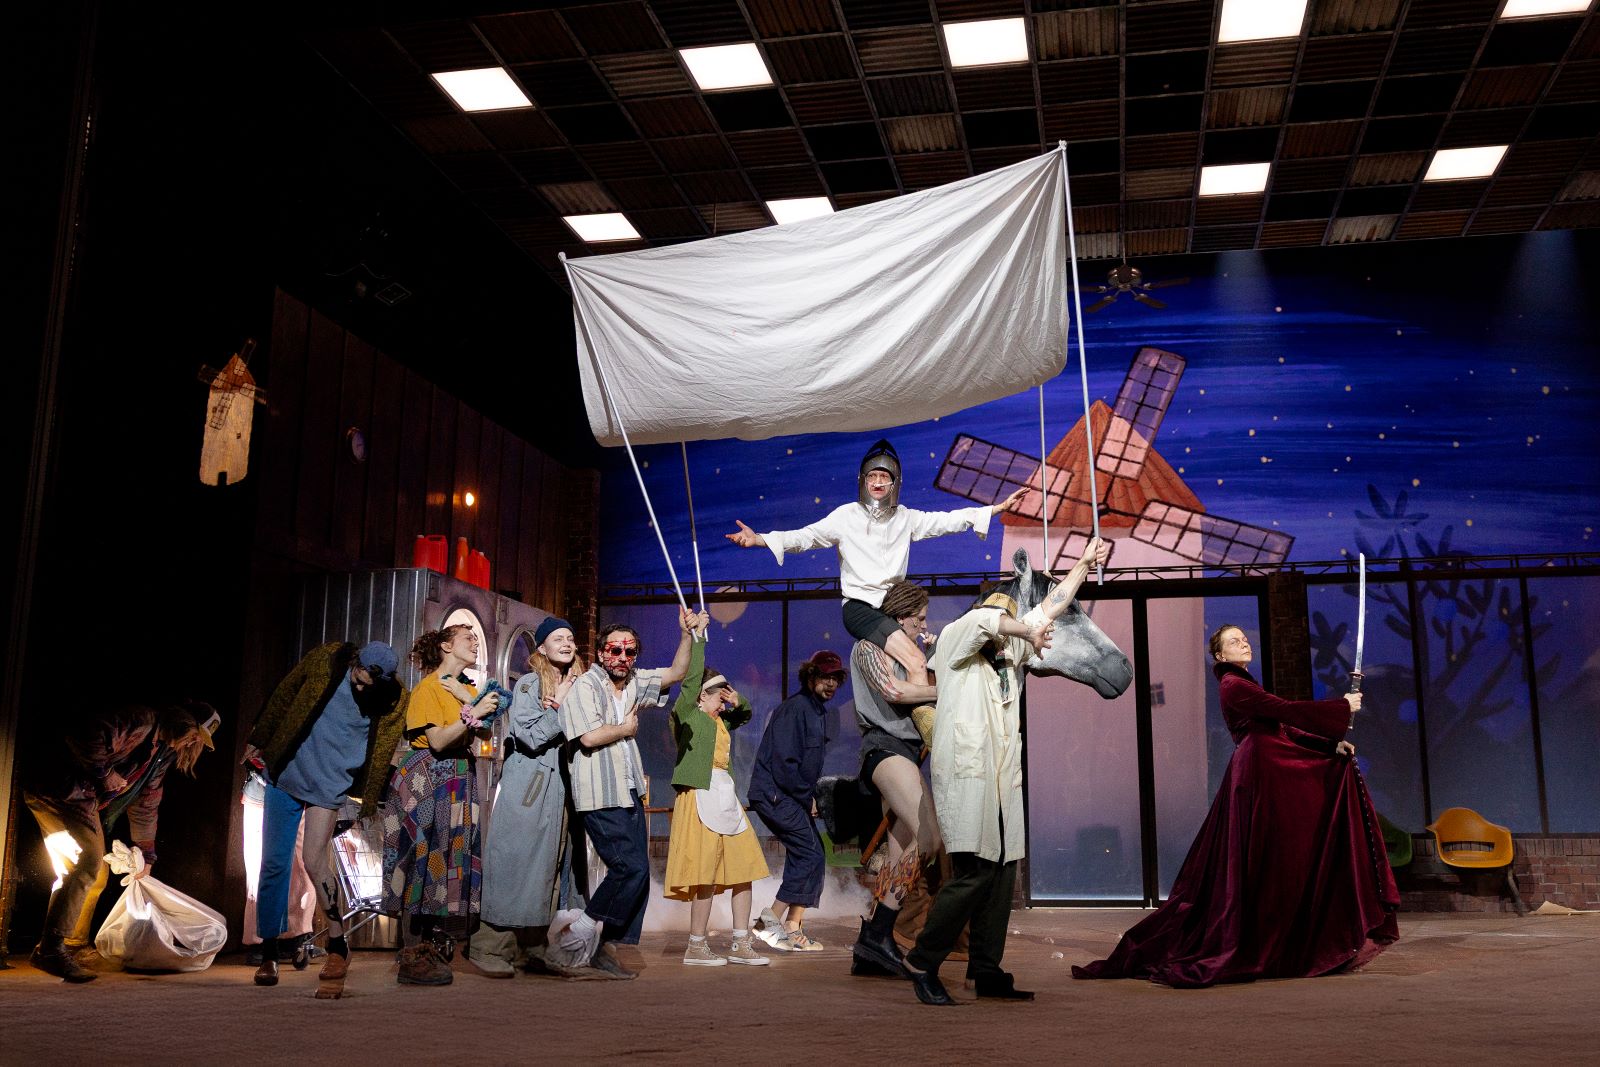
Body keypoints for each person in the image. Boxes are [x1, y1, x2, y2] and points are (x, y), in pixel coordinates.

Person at [1072, 624, 1400, 988]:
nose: (1243, 642)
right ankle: (1267, 940)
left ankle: (1285, 936)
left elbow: (1279, 727)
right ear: (1219, 656)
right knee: (1264, 853)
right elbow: (1283, 710)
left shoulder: (1244, 683)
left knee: (1272, 854)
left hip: (1267, 765)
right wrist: (1340, 707)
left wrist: (1328, 745)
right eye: (1233, 641)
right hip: (1260, 770)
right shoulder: (1233, 684)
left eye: (1243, 638)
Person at [904, 538, 1107, 1006]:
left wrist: (1081, 564)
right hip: (968, 777)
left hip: (1001, 782)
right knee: (974, 872)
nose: (1008, 617)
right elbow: (990, 622)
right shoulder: (956, 640)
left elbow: (1051, 606)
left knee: (1000, 876)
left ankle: (985, 969)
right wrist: (1023, 628)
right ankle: (922, 959)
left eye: (1012, 612)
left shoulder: (1010, 652)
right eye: (1002, 610)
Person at [727, 438, 1023, 687]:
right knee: (916, 662)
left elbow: (946, 521)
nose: (878, 482)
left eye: (884, 477)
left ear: (895, 483)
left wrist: (995, 509)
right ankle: (926, 724)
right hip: (860, 608)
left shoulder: (905, 517)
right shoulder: (846, 516)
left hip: (892, 608)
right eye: (873, 476)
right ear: (863, 481)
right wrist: (760, 539)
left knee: (918, 659)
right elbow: (806, 537)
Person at [548, 607, 701, 979]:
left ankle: (608, 947)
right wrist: (625, 729)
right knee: (628, 867)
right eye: (614, 650)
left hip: (627, 787)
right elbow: (588, 737)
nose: (622, 657)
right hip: (599, 792)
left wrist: (686, 634)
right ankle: (580, 932)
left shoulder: (633, 682)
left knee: (640, 872)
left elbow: (676, 673)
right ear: (601, 652)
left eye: (629, 651)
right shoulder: (586, 686)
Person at [245, 639, 405, 993]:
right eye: (358, 678)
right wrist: (261, 734)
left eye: (367, 685)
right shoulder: (328, 661)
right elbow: (286, 693)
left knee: (314, 860)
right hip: (288, 773)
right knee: (274, 863)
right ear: (356, 663)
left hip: (330, 783)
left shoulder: (390, 698)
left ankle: (337, 943)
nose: (359, 687)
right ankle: (269, 951)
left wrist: (368, 798)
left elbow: (382, 747)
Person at [23, 700, 219, 982]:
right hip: (61, 791)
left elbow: (146, 804)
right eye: (194, 735)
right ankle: (51, 949)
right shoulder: (141, 719)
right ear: (184, 721)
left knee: (96, 872)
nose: (192, 743)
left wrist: (147, 855)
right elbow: (86, 735)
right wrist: (105, 773)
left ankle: (72, 946)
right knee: (88, 863)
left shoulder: (161, 754)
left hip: (81, 800)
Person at [381, 624, 502, 986]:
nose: (475, 643)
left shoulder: (465, 687)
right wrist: (474, 711)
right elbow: (437, 740)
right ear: (447, 646)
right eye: (468, 638)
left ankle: (439, 948)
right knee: (422, 858)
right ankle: (412, 954)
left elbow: (485, 732)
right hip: (427, 779)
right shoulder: (428, 688)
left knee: (449, 859)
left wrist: (475, 707)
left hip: (458, 777)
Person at [846, 579, 942, 977]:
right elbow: (893, 692)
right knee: (929, 838)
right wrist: (941, 690)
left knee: (902, 851)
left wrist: (932, 661)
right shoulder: (867, 647)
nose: (923, 625)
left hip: (906, 752)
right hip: (884, 749)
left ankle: (872, 941)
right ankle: (878, 933)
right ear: (900, 619)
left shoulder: (915, 655)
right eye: (919, 619)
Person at [477, 616, 583, 977]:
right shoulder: (529, 684)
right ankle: (489, 946)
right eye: (558, 638)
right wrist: (561, 705)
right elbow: (531, 735)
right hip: (530, 787)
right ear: (542, 647)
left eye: (570, 638)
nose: (567, 643)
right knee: (516, 863)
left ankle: (532, 947)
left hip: (559, 789)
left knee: (547, 868)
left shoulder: (573, 683)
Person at [664, 627, 771, 967]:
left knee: (744, 869)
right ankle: (696, 946)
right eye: (718, 696)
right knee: (705, 875)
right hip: (699, 795)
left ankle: (740, 943)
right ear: (700, 695)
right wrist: (699, 640)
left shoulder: (720, 721)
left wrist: (739, 702)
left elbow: (743, 715)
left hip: (725, 796)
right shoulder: (688, 716)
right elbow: (689, 684)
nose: (723, 701)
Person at [747, 650, 846, 952]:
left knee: (811, 852)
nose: (831, 683)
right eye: (825, 677)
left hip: (789, 794)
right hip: (775, 793)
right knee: (810, 853)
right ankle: (770, 923)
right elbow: (785, 764)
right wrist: (808, 798)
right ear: (810, 677)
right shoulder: (796, 709)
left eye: (835, 678)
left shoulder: (816, 711)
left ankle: (792, 927)